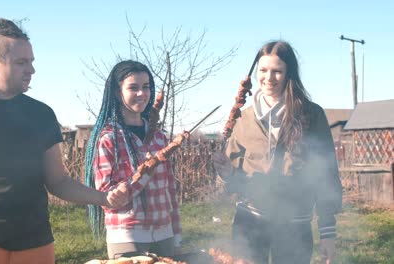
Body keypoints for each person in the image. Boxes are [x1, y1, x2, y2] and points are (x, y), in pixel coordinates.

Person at [0, 18, 128, 264]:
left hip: (36, 244)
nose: (31, 70)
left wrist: (103, 198)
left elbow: (58, 181)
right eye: (22, 62)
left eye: (31, 62)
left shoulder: (42, 115)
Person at [213, 41, 342, 264]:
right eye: (263, 71)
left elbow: (326, 177)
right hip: (249, 223)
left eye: (277, 71)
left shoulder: (312, 115)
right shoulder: (242, 119)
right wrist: (225, 175)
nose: (269, 78)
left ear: (289, 73)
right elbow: (231, 184)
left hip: (295, 225)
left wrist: (327, 233)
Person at [84, 60, 182, 259]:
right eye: (133, 88)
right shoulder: (108, 138)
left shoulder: (159, 137)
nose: (142, 93)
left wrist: (176, 234)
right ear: (117, 92)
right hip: (127, 236)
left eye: (146, 87)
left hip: (164, 234)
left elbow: (170, 189)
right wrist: (145, 173)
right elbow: (107, 199)